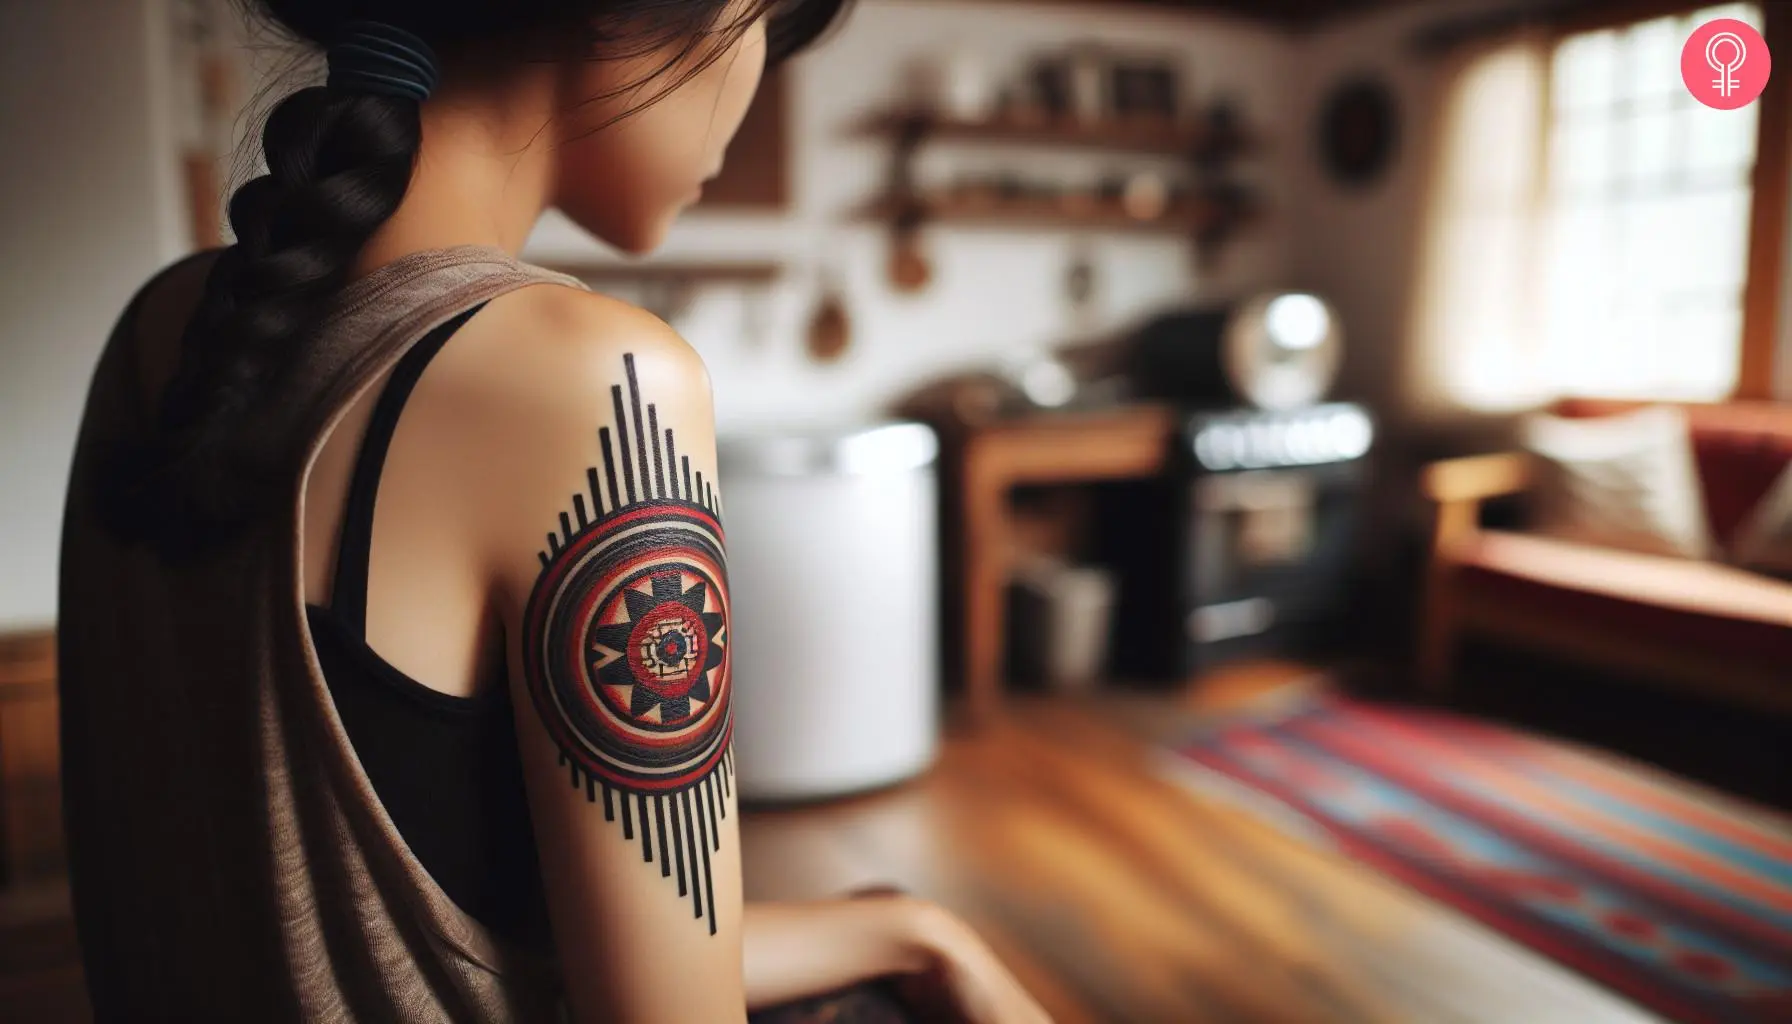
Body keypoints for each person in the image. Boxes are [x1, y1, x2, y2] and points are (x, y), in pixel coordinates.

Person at [55, 2, 1053, 1021]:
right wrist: (920, 932)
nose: (761, 82)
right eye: (770, 28)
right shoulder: (601, 383)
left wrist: (908, 923)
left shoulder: (163, 325)